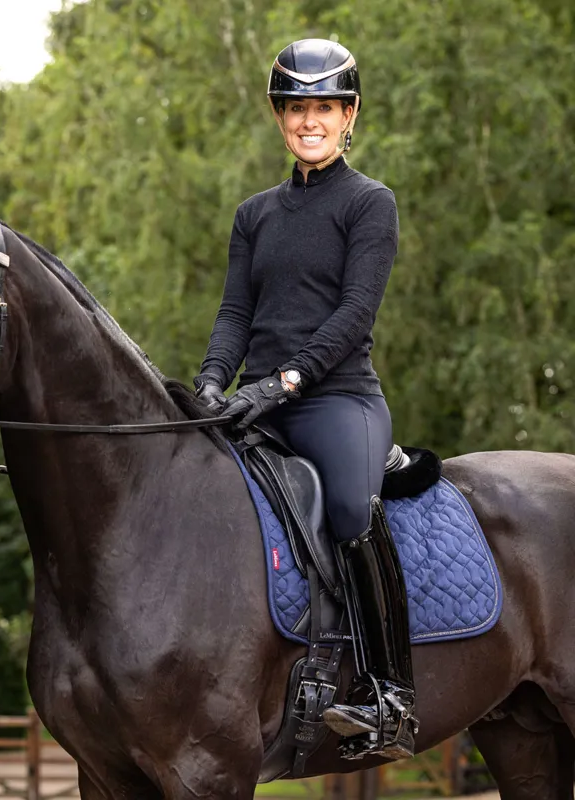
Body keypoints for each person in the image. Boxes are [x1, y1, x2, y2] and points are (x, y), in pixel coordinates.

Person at [193, 38, 418, 760]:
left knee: (351, 509)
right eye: (296, 108)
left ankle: (389, 695)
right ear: (279, 117)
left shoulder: (370, 203)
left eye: (325, 107)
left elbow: (354, 313)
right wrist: (211, 381)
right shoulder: (254, 214)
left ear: (349, 115)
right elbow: (235, 313)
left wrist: (283, 382)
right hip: (257, 403)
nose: (309, 120)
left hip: (336, 400)